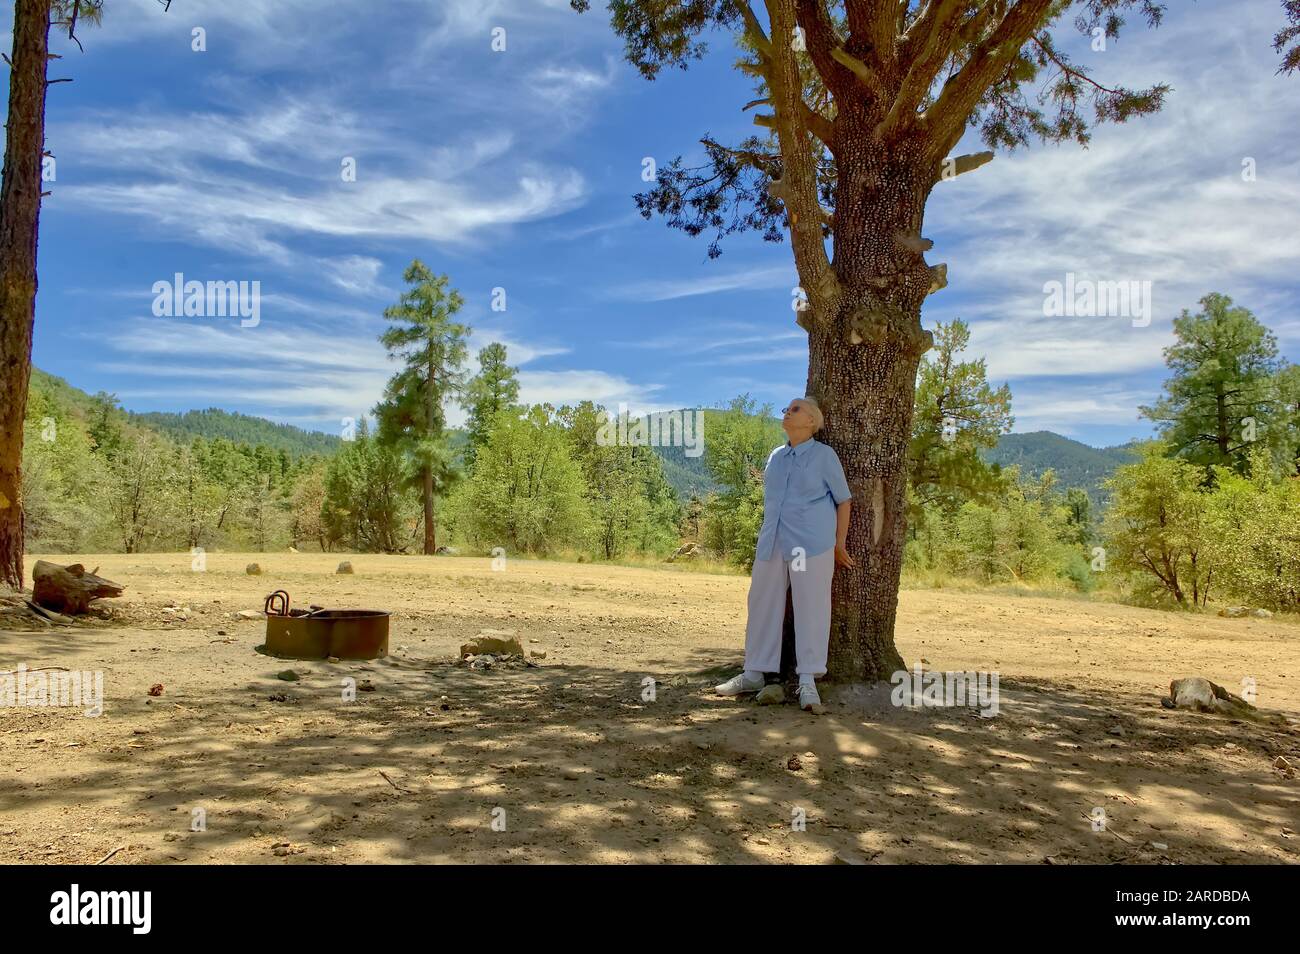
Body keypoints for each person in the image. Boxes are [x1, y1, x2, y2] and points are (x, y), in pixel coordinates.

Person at [714, 397, 853, 711]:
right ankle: (753, 673)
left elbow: (844, 500)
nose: (787, 413)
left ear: (811, 421)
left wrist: (839, 543)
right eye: (786, 410)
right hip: (773, 540)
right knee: (761, 602)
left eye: (795, 409)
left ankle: (808, 682)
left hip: (810, 543)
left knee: (811, 607)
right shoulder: (776, 457)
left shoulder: (824, 456)